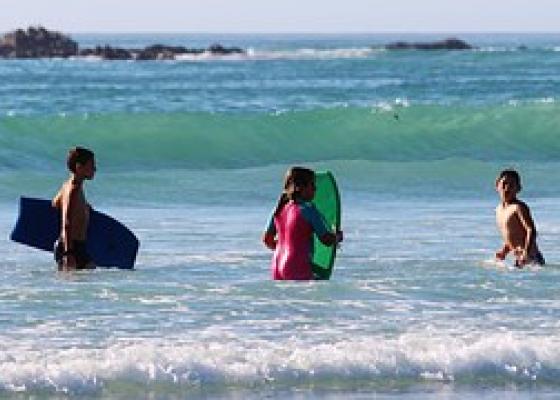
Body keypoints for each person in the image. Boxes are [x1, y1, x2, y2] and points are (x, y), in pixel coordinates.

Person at [262, 167, 343, 280]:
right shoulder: (308, 209)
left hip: (277, 267)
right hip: (296, 267)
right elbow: (326, 240)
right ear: (300, 187)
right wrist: (337, 236)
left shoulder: (280, 208)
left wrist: (290, 249)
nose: (315, 189)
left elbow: (267, 240)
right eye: (312, 185)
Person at [52, 147, 96, 271]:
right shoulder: (73, 190)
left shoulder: (67, 186)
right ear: (79, 167)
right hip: (71, 248)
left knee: (78, 285)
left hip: (74, 246)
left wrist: (83, 208)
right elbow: (67, 222)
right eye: (91, 165)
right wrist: (68, 253)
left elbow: (55, 203)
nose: (95, 169)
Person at [495, 169, 544, 267]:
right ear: (497, 186)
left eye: (511, 185)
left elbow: (531, 230)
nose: (507, 188)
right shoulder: (499, 209)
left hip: (531, 257)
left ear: (518, 189)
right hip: (519, 258)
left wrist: (526, 252)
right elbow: (513, 235)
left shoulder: (519, 207)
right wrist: (504, 251)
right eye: (504, 184)